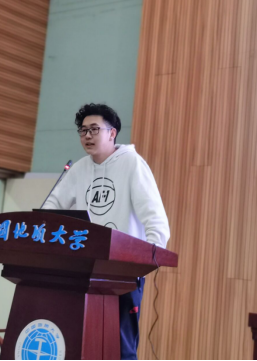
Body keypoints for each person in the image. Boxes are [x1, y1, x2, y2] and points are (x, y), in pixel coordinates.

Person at [42, 103, 170, 360]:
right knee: (80, 344)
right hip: (83, 271)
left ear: (112, 133)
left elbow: (156, 220)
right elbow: (50, 208)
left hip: (122, 273)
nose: (87, 136)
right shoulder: (79, 169)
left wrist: (144, 263)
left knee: (119, 348)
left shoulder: (132, 164)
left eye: (94, 129)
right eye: (83, 131)